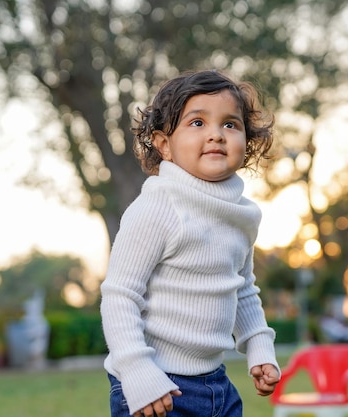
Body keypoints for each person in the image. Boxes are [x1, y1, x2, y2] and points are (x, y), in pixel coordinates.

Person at [100, 70, 280, 417]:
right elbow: (120, 296)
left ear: (247, 142)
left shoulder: (242, 215)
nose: (216, 134)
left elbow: (241, 288)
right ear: (164, 144)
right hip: (156, 386)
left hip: (216, 385)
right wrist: (138, 371)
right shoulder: (157, 205)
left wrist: (259, 344)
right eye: (197, 123)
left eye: (230, 124)